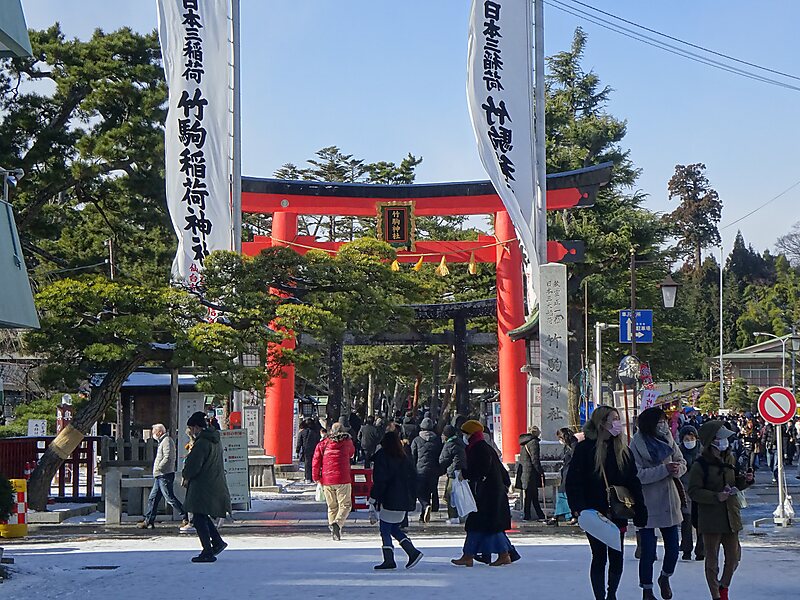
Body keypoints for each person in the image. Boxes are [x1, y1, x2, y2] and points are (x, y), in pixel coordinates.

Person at [566, 406, 647, 600]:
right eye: (614, 419)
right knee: (599, 555)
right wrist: (579, 508)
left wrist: (640, 509)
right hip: (594, 512)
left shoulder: (623, 450)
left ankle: (612, 594)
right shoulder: (585, 449)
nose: (618, 423)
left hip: (618, 509)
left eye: (619, 418)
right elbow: (574, 481)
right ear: (602, 422)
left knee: (617, 556)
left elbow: (632, 481)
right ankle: (600, 596)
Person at [688, 421, 754, 600]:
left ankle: (723, 585)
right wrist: (716, 496)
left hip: (731, 515)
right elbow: (693, 491)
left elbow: (734, 483)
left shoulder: (729, 459)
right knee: (712, 561)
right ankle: (716, 595)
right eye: (721, 438)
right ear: (712, 441)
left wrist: (746, 480)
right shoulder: (700, 464)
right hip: (711, 518)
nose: (725, 441)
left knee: (734, 558)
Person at [630, 407, 687, 600]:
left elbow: (682, 461)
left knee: (673, 548)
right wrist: (664, 470)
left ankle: (665, 577)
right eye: (660, 421)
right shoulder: (636, 444)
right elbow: (637, 475)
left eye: (664, 421)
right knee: (648, 551)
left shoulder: (668, 439)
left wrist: (677, 469)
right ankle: (647, 589)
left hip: (670, 500)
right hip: (647, 502)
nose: (663, 425)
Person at [451, 420, 514, 567]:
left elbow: (481, 469)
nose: (463, 436)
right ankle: (472, 554)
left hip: (487, 494)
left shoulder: (479, 448)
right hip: (490, 492)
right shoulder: (482, 447)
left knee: (485, 526)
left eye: (465, 433)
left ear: (471, 434)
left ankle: (499, 554)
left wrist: (465, 474)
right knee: (485, 526)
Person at [369, 430, 423, 570]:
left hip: (389, 498)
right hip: (404, 499)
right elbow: (414, 478)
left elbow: (380, 480)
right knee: (394, 528)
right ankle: (412, 552)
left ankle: (389, 559)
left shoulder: (382, 456)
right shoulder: (404, 457)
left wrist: (374, 497)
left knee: (385, 529)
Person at [182, 411, 231, 563]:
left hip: (202, 485)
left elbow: (193, 467)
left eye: (191, 428)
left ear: (197, 427)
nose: (190, 431)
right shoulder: (215, 440)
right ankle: (217, 542)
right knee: (201, 515)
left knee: (198, 517)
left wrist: (185, 474)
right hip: (213, 482)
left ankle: (208, 550)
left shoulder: (202, 443)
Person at [139, 424, 189, 529]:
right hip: (160, 475)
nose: (153, 434)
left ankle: (185, 516)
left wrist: (160, 468)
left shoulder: (167, 441)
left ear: (160, 432)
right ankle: (148, 520)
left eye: (154, 432)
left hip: (164, 474)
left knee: (169, 497)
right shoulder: (162, 441)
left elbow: (168, 457)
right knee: (153, 498)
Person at [312, 421, 355, 541]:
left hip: (327, 479)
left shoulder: (323, 443)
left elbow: (316, 461)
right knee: (345, 505)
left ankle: (333, 529)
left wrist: (316, 477)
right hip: (343, 478)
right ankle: (338, 523)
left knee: (332, 506)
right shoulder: (347, 442)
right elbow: (352, 453)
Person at [678, 425, 704, 561]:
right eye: (686, 439)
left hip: (700, 490)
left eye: (692, 438)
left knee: (701, 522)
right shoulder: (678, 451)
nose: (689, 441)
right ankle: (686, 549)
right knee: (686, 521)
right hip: (684, 490)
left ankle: (701, 550)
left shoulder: (702, 451)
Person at [410, 417, 443, 522]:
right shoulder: (437, 440)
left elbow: (412, 455)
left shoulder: (417, 440)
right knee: (429, 491)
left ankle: (425, 505)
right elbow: (441, 455)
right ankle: (424, 513)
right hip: (433, 470)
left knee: (420, 491)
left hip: (420, 470)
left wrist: (413, 468)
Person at [517, 426, 546, 521]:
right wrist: (540, 471)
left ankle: (538, 514)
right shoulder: (534, 442)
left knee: (532, 494)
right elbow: (535, 460)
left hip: (525, 472)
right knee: (530, 495)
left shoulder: (524, 442)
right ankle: (529, 514)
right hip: (531, 473)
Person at [439, 424, 467, 523]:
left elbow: (442, 459)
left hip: (453, 472)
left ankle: (453, 516)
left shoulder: (449, 445)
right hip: (463, 471)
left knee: (451, 495)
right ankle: (463, 514)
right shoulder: (461, 442)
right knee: (462, 494)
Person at [551, 427, 578, 525]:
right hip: (566, 473)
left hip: (570, 474)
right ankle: (565, 515)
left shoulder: (574, 445)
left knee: (565, 495)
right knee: (563, 494)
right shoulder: (568, 446)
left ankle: (559, 516)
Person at [296, 418, 321, 483]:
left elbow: (299, 442)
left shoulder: (302, 432)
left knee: (307, 464)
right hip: (315, 449)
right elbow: (318, 440)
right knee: (314, 463)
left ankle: (307, 478)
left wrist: (297, 451)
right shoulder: (315, 432)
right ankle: (314, 477)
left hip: (306, 450)